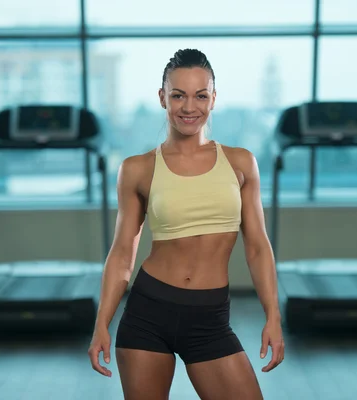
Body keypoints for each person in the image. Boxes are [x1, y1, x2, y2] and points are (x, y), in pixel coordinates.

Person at [88, 48, 284, 400]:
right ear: (163, 97)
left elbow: (257, 247)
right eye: (178, 95)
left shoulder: (240, 163)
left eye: (200, 95)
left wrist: (273, 315)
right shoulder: (138, 168)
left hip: (210, 319)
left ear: (213, 99)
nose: (189, 107)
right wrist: (102, 323)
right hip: (148, 313)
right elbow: (121, 254)